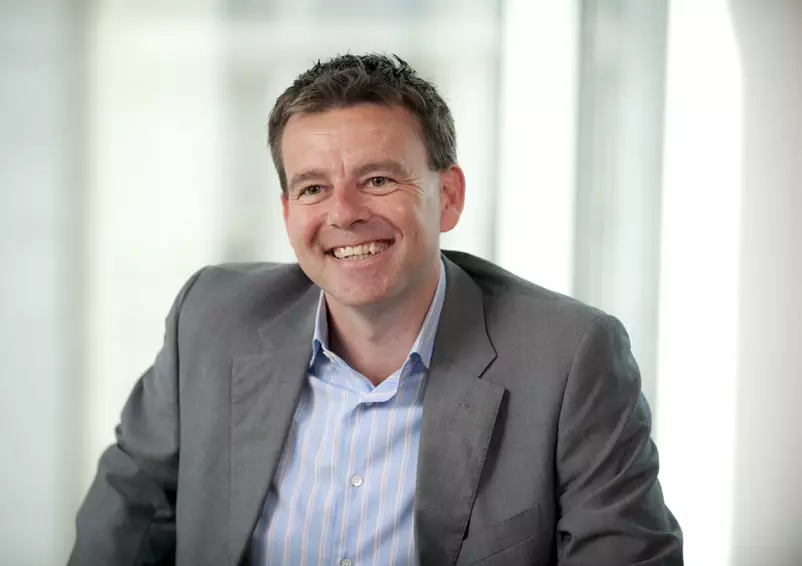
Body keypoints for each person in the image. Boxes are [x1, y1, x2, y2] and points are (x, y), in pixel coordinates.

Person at [70, 53, 683, 566]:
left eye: (378, 180)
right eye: (313, 188)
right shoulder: (210, 320)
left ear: (448, 197)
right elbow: (125, 522)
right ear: (288, 213)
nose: (343, 213)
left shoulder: (569, 358)